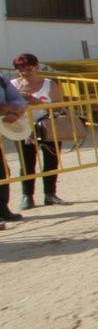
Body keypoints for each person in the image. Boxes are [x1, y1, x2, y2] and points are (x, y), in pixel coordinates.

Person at [11, 54, 67, 208]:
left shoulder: (49, 84)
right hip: (23, 128)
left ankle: (50, 194)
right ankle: (27, 196)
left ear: (36, 67)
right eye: (20, 69)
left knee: (51, 160)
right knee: (27, 163)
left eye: (28, 68)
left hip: (48, 126)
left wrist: (36, 102)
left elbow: (59, 106)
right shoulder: (13, 85)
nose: (24, 72)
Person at [0, 71, 26, 223]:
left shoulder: (2, 80)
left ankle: (3, 209)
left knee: (2, 171)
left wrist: (16, 112)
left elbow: (19, 100)